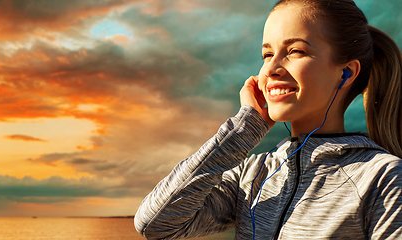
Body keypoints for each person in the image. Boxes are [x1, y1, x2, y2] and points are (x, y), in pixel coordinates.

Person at [134, 0, 402, 239]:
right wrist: (244, 129)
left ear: (346, 72)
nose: (272, 69)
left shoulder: (383, 177)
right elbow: (156, 226)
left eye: (295, 51)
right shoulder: (251, 175)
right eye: (267, 54)